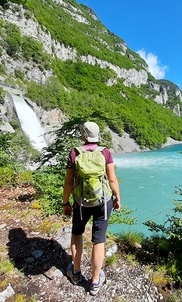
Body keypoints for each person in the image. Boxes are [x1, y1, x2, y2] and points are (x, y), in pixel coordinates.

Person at [62, 121, 121, 296]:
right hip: (103, 202)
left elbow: (68, 182)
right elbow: (112, 180)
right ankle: (95, 282)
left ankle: (76, 273)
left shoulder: (75, 153)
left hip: (81, 202)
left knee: (77, 233)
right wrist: (117, 198)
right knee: (99, 240)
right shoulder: (105, 152)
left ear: (83, 135)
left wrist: (66, 203)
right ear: (96, 136)